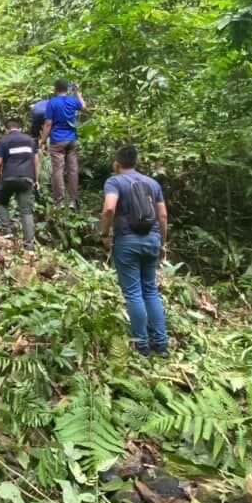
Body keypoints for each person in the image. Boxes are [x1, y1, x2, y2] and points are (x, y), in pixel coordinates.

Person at [101, 145, 168, 356]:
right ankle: (162, 343)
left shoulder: (114, 181)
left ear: (116, 163)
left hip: (127, 241)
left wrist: (105, 234)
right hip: (152, 240)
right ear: (136, 162)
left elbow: (109, 208)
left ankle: (142, 345)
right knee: (150, 290)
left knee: (133, 293)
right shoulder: (153, 183)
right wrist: (162, 242)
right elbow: (163, 216)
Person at [0, 117, 38, 249]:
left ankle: (8, 231)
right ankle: (29, 244)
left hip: (9, 178)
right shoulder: (30, 141)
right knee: (26, 211)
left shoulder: (5, 141)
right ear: (21, 128)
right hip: (27, 179)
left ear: (7, 129)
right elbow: (36, 161)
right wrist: (36, 179)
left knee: (1, 202)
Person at [42, 80, 87, 208]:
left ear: (55, 89)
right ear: (67, 89)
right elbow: (84, 107)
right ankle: (73, 201)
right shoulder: (72, 100)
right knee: (73, 170)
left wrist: (43, 140)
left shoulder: (52, 102)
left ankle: (59, 202)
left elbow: (48, 123)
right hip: (71, 139)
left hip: (57, 140)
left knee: (58, 170)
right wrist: (77, 93)